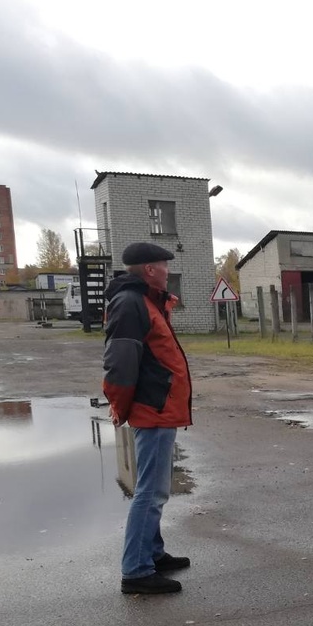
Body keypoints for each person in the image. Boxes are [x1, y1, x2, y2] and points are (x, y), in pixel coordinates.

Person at [102, 242, 192, 595]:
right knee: (150, 493)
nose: (168, 271)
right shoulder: (130, 303)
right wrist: (119, 404)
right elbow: (120, 362)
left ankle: (152, 553)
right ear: (150, 270)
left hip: (160, 407)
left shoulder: (147, 300)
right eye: (164, 265)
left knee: (157, 488)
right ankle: (137, 571)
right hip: (152, 408)